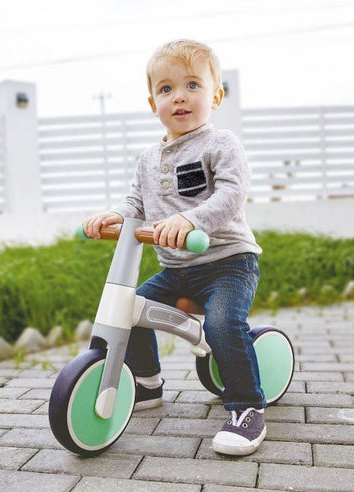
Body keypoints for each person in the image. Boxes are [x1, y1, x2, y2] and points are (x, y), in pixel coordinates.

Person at [82, 39, 266, 456]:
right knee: (132, 306)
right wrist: (114, 216)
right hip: (176, 268)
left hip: (227, 263)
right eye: (166, 89)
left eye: (192, 85)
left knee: (222, 324)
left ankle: (246, 407)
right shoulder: (148, 158)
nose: (179, 96)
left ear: (215, 96)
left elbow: (231, 196)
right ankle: (146, 382)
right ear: (153, 104)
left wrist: (190, 219)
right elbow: (136, 202)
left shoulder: (221, 144)